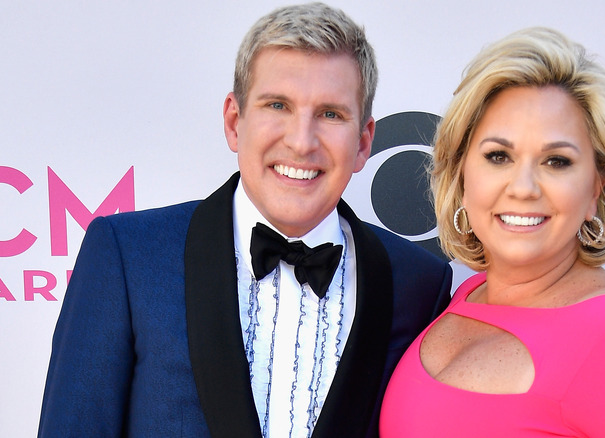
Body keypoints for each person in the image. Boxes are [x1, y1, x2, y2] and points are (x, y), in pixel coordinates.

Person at [37, 3, 452, 438]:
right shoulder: (128, 256)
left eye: (331, 114)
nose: (300, 141)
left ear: (364, 142)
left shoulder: (419, 284)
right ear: (235, 122)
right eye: (278, 105)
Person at [380, 27, 605, 437]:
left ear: (596, 187)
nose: (523, 187)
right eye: (498, 156)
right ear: (461, 172)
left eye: (557, 161)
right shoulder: (464, 295)